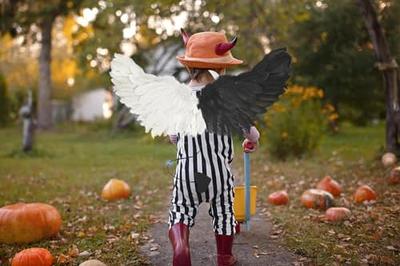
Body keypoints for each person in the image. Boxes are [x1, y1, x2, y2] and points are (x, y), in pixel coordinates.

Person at [167, 30, 260, 266]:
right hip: (218, 174)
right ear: (220, 70)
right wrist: (253, 141)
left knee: (180, 210)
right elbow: (250, 132)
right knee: (225, 212)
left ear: (190, 68)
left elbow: (173, 136)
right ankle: (225, 256)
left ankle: (180, 245)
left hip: (187, 172)